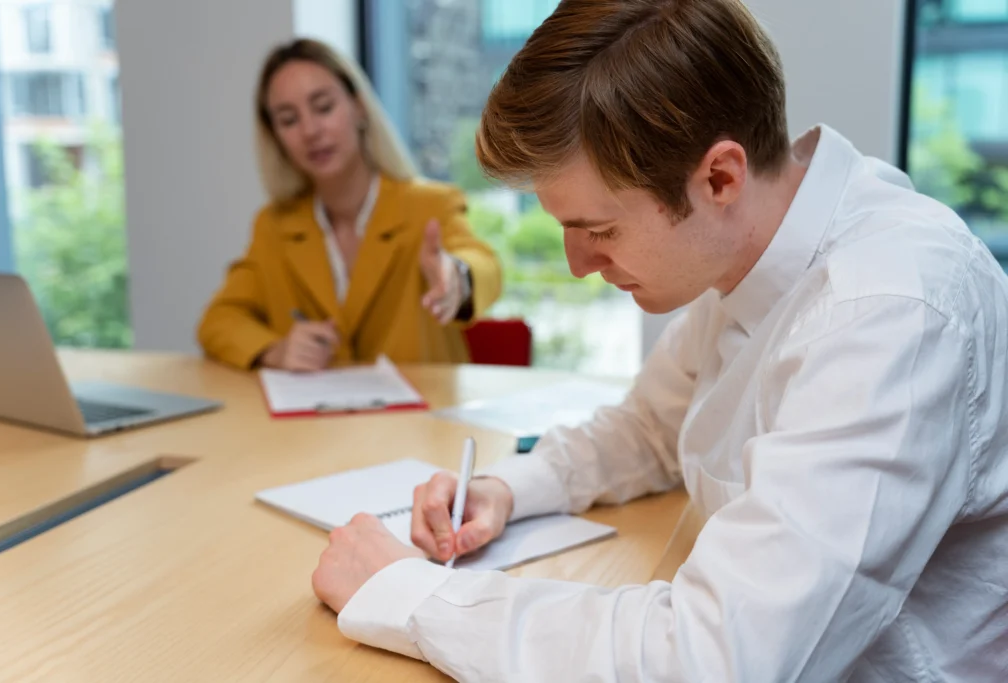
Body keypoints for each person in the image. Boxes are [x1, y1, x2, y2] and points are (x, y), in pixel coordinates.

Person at [311, 1, 1008, 680]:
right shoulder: (756, 248)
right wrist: (505, 489)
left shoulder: (889, 313)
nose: (578, 263)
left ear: (719, 177)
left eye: (600, 229)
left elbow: (717, 658)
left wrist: (410, 596)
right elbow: (649, 429)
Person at [198, 39, 501, 371]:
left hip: (420, 420)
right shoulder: (273, 226)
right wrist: (276, 350)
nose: (311, 130)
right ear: (276, 137)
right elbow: (219, 320)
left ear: (358, 107)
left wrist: (456, 277)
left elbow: (484, 265)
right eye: (288, 119)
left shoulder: (429, 205)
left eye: (324, 107)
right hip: (316, 421)